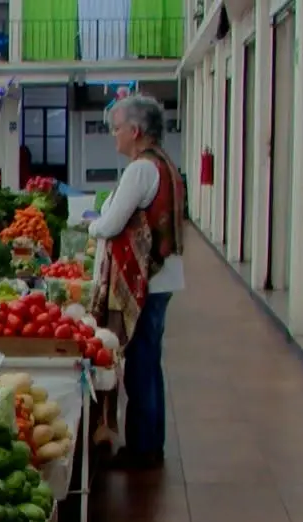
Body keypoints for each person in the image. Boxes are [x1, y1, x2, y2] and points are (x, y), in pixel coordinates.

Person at [87, 92, 186, 471]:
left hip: (148, 281)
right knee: (149, 362)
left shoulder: (142, 169)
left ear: (136, 129)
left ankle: (143, 448)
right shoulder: (163, 163)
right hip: (163, 280)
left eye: (116, 129)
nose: (113, 136)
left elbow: (111, 224)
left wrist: (92, 225)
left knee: (141, 365)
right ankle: (150, 443)